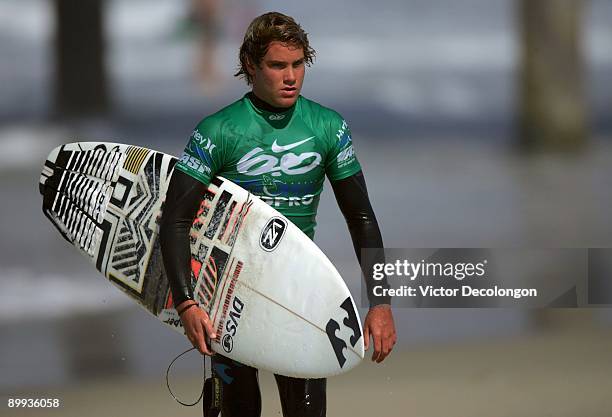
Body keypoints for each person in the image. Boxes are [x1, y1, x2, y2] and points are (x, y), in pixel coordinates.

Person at [159, 12, 396, 417]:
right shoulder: (217, 131)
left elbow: (361, 218)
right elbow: (175, 221)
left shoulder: (328, 127)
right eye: (277, 65)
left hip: (299, 294)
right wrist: (186, 303)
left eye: (298, 64)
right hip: (229, 292)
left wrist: (380, 302)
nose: (291, 77)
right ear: (251, 66)